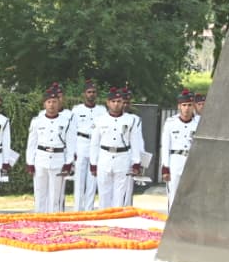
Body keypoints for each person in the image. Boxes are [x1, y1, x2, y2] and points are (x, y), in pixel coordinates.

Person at [89, 87, 145, 209]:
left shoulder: (131, 120)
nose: (116, 104)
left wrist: (136, 162)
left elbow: (135, 142)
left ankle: (116, 224)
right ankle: (104, 222)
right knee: (104, 194)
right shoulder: (100, 120)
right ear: (108, 102)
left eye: (119, 101)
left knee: (120, 195)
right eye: (113, 101)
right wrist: (93, 162)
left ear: (122, 103)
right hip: (105, 157)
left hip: (123, 158)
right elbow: (94, 143)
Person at [25, 83, 74, 212]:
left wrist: (68, 163)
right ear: (44, 104)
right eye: (49, 102)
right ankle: (39, 221)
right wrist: (30, 162)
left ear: (59, 103)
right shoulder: (37, 121)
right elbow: (31, 144)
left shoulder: (66, 122)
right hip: (41, 159)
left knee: (56, 196)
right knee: (40, 194)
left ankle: (55, 224)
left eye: (54, 102)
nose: (51, 105)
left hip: (59, 160)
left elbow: (70, 144)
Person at [160, 88, 199, 211]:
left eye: (189, 105)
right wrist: (165, 167)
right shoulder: (171, 123)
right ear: (179, 106)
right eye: (184, 105)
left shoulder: (199, 123)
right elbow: (165, 145)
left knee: (191, 195)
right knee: (173, 194)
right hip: (175, 160)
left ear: (193, 106)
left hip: (192, 161)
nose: (186, 108)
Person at [70, 79, 101, 211]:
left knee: (92, 180)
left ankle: (89, 209)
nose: (91, 94)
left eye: (94, 92)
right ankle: (78, 209)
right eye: (89, 92)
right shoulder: (76, 110)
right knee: (79, 181)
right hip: (81, 144)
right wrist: (73, 151)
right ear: (84, 94)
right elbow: (71, 131)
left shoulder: (102, 110)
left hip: (96, 145)